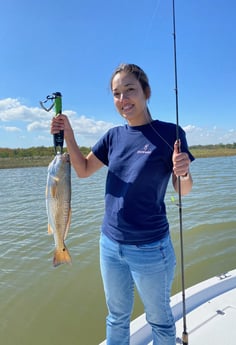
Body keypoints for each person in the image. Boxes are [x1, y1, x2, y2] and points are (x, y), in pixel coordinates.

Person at [51, 63, 194, 345]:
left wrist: (184, 171)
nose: (123, 100)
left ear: (146, 92)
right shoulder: (113, 137)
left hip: (151, 248)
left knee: (160, 320)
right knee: (116, 317)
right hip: (110, 245)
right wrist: (68, 134)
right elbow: (82, 170)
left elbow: (183, 190)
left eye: (129, 90)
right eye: (116, 94)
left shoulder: (170, 133)